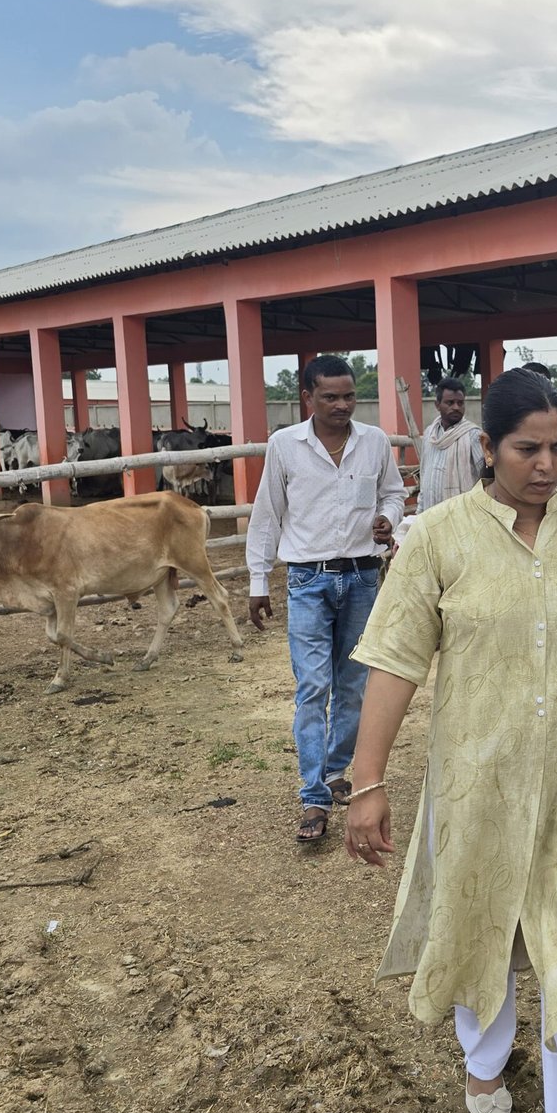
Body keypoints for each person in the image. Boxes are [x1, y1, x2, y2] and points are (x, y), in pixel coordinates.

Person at [344, 369, 557, 1113]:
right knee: (479, 921)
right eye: (528, 449)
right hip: (478, 779)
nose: (548, 464)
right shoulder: (440, 537)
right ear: (488, 448)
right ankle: (483, 1055)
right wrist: (367, 780)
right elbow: (393, 661)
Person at [246, 354, 404, 844]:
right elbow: (268, 514)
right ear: (307, 398)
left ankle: (337, 772)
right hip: (307, 581)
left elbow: (394, 494)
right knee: (313, 687)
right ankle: (313, 796)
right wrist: (257, 581)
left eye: (349, 396)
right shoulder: (285, 447)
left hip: (361, 578)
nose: (341, 405)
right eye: (330, 396)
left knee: (354, 685)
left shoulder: (374, 442)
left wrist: (388, 521)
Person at [416, 377, 484, 512]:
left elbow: (486, 479)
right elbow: (425, 476)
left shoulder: (473, 435)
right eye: (450, 403)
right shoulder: (430, 434)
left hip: (463, 515)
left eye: (460, 403)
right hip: (430, 514)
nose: (456, 407)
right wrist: (420, 512)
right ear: (437, 405)